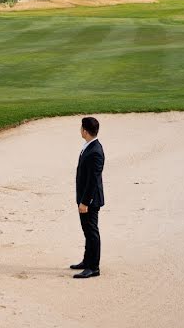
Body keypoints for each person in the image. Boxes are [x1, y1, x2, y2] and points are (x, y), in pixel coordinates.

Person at [70, 116, 105, 279]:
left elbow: (93, 181)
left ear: (85, 130)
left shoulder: (96, 151)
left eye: (80, 128)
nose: (80, 130)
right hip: (84, 198)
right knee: (87, 230)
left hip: (90, 200)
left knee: (91, 232)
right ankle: (87, 260)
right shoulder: (90, 146)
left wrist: (85, 202)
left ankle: (94, 267)